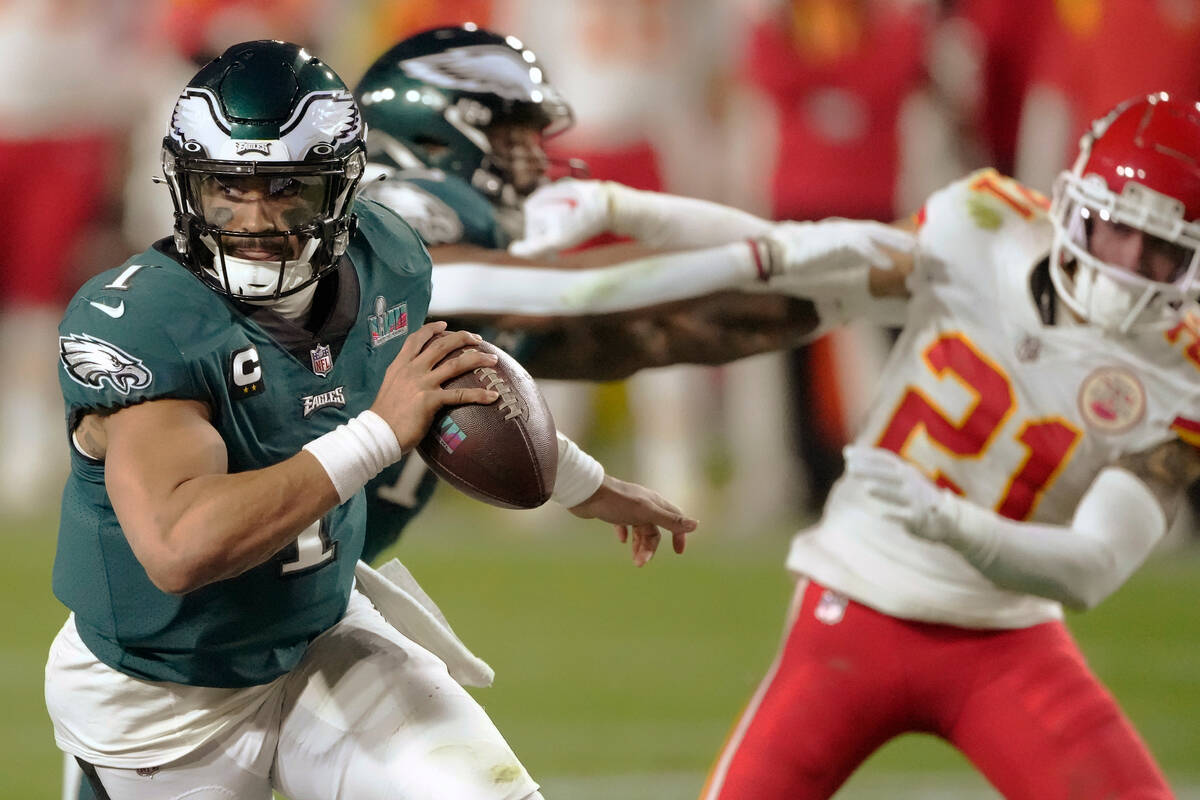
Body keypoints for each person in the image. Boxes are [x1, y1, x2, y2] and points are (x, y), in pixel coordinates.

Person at [45, 40, 700, 800]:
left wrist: (582, 482)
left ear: (340, 188)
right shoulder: (145, 321)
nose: (254, 219)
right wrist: (378, 433)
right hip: (166, 699)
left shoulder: (388, 258)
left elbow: (445, 380)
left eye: (286, 189)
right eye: (228, 188)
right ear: (189, 186)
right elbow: (179, 547)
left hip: (321, 637)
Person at [517, 92, 1200, 797]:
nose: (1128, 265)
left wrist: (946, 521)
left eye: (1164, 249)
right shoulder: (983, 226)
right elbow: (791, 252)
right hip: (856, 606)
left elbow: (1091, 567)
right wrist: (624, 209)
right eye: (1115, 227)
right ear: (1073, 202)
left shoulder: (1184, 370)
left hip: (1007, 635)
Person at [352, 23, 916, 560]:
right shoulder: (373, 238)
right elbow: (575, 290)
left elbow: (666, 336)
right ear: (434, 136)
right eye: (508, 140)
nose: (530, 164)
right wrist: (787, 252)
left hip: (321, 583)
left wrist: (849, 294)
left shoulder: (453, 307)